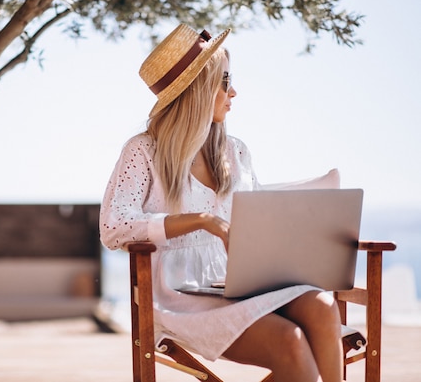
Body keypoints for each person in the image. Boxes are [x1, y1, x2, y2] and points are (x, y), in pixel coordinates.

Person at [99, 23, 344, 382]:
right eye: (225, 82)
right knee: (290, 342)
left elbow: (259, 221)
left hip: (242, 284)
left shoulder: (235, 151)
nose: (235, 92)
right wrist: (201, 220)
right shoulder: (143, 151)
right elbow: (114, 225)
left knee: (323, 306)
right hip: (179, 296)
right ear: (198, 90)